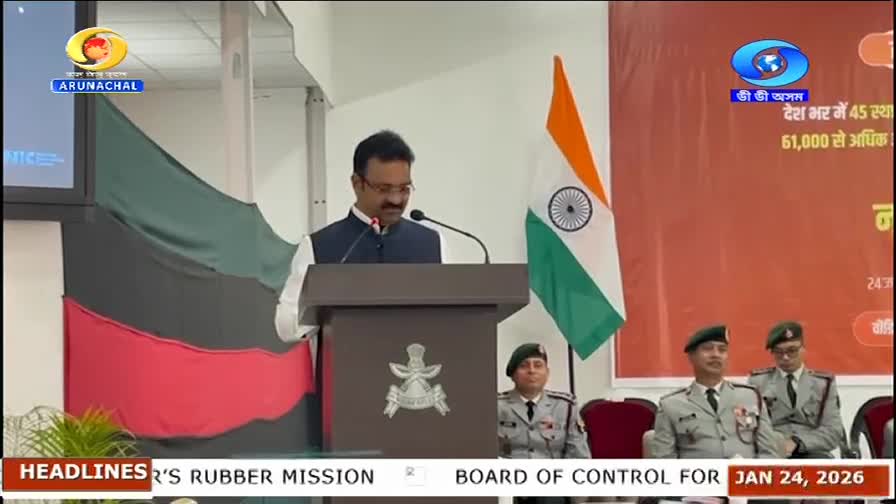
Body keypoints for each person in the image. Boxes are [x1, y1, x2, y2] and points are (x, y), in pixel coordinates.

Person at [274, 130, 449, 342]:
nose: (395, 199)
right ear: (357, 183)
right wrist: (321, 302)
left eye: (404, 189)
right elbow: (286, 328)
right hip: (347, 371)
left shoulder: (432, 243)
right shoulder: (318, 246)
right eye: (383, 189)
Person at [650, 325, 784, 459]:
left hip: (744, 477)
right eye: (708, 349)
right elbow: (664, 462)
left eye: (722, 350)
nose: (716, 355)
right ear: (691, 357)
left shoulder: (751, 396)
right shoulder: (671, 405)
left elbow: (769, 453)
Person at [498, 343, 590, 504]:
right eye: (524, 366)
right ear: (513, 374)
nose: (532, 371)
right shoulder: (496, 406)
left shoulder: (565, 405)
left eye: (538, 365)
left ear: (547, 373)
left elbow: (578, 456)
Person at [747, 321, 845, 459]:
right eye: (778, 352)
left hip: (812, 451)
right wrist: (777, 443)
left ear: (803, 349)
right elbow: (751, 428)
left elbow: (833, 432)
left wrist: (798, 442)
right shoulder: (758, 382)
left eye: (791, 351)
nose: (785, 357)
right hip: (772, 452)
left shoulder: (823, 384)